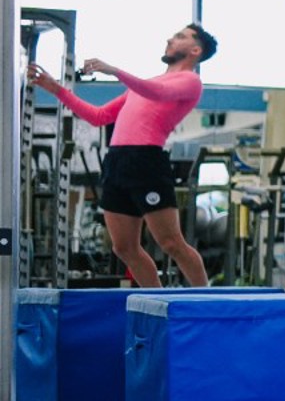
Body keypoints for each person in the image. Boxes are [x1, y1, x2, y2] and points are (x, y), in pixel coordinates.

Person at [26, 24, 220, 288]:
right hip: (117, 161)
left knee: (171, 243)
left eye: (180, 37)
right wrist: (56, 89)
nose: (170, 39)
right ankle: (156, 300)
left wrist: (114, 71)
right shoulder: (143, 86)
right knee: (123, 247)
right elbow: (99, 116)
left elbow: (158, 93)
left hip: (146, 161)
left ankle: (205, 300)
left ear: (195, 50)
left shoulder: (190, 82)